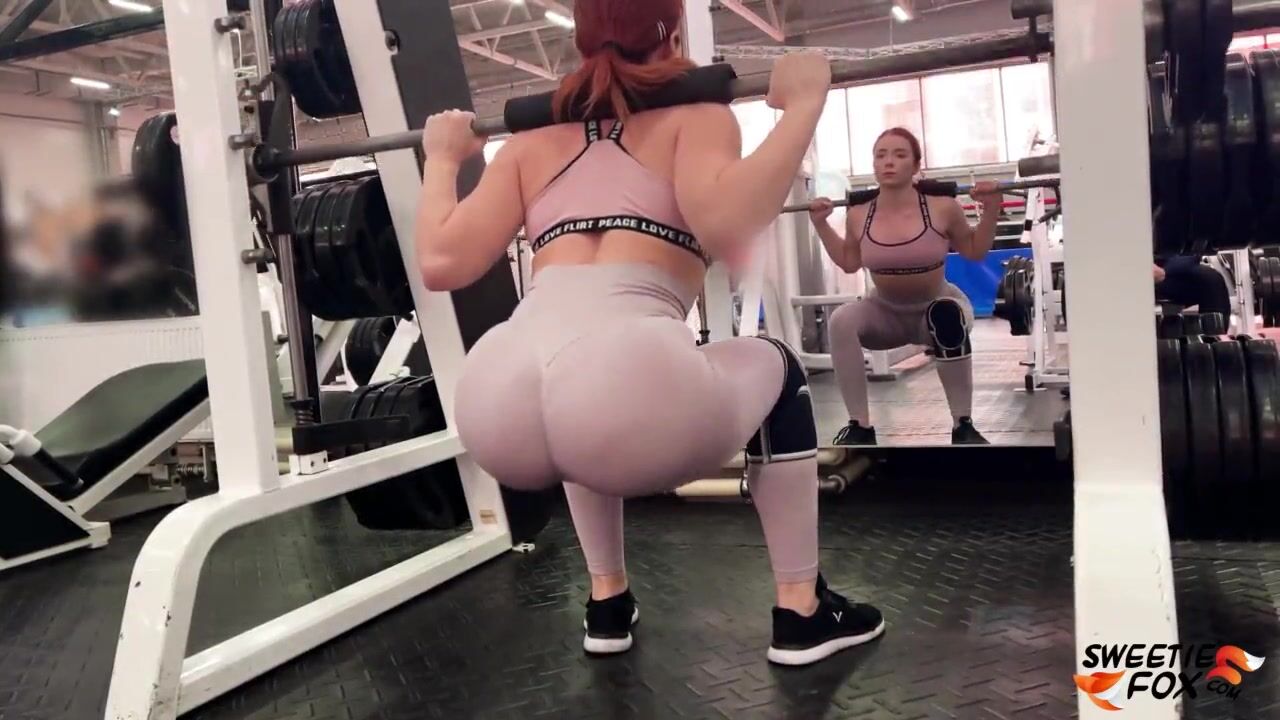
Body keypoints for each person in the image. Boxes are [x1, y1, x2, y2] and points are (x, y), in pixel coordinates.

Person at [413, 0, 884, 666]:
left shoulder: (526, 143)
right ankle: (802, 610)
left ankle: (607, 603)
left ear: (580, 41)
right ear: (674, 33)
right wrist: (804, 104)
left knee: (581, 403)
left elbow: (440, 262)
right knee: (777, 369)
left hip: (497, 390)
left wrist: (440, 159)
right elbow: (728, 225)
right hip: (625, 383)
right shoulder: (696, 116)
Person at [808, 128, 1003, 446]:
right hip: (885, 313)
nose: (889, 162)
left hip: (936, 307)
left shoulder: (942, 207)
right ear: (873, 164)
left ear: (916, 166)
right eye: (881, 155)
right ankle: (859, 426)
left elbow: (974, 250)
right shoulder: (858, 214)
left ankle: (963, 425)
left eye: (899, 155)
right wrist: (820, 224)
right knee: (841, 320)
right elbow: (848, 262)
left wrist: (992, 208)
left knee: (946, 314)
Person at [1154, 256, 1231, 320]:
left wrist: (1165, 271)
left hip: (1164, 269)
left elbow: (1191, 253)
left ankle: (1214, 330)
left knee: (1211, 279)